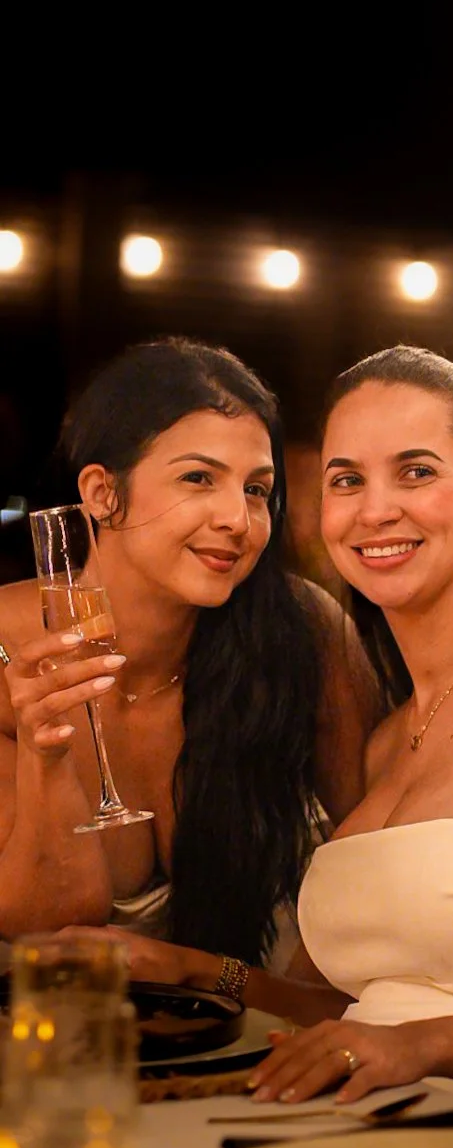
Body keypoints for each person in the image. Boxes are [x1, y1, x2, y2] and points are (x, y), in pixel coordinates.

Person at [89, 346, 453, 1133]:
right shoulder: (383, 734)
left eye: (417, 472)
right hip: (389, 1137)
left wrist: (426, 1046)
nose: (375, 509)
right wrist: (190, 969)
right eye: (346, 480)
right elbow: (342, 1012)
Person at [0, 338, 377, 962]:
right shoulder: (10, 655)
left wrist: (300, 1009)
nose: (237, 518)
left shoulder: (300, 629)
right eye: (198, 478)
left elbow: (382, 856)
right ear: (100, 492)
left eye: (257, 490)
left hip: (264, 1031)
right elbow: (48, 927)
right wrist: (48, 762)